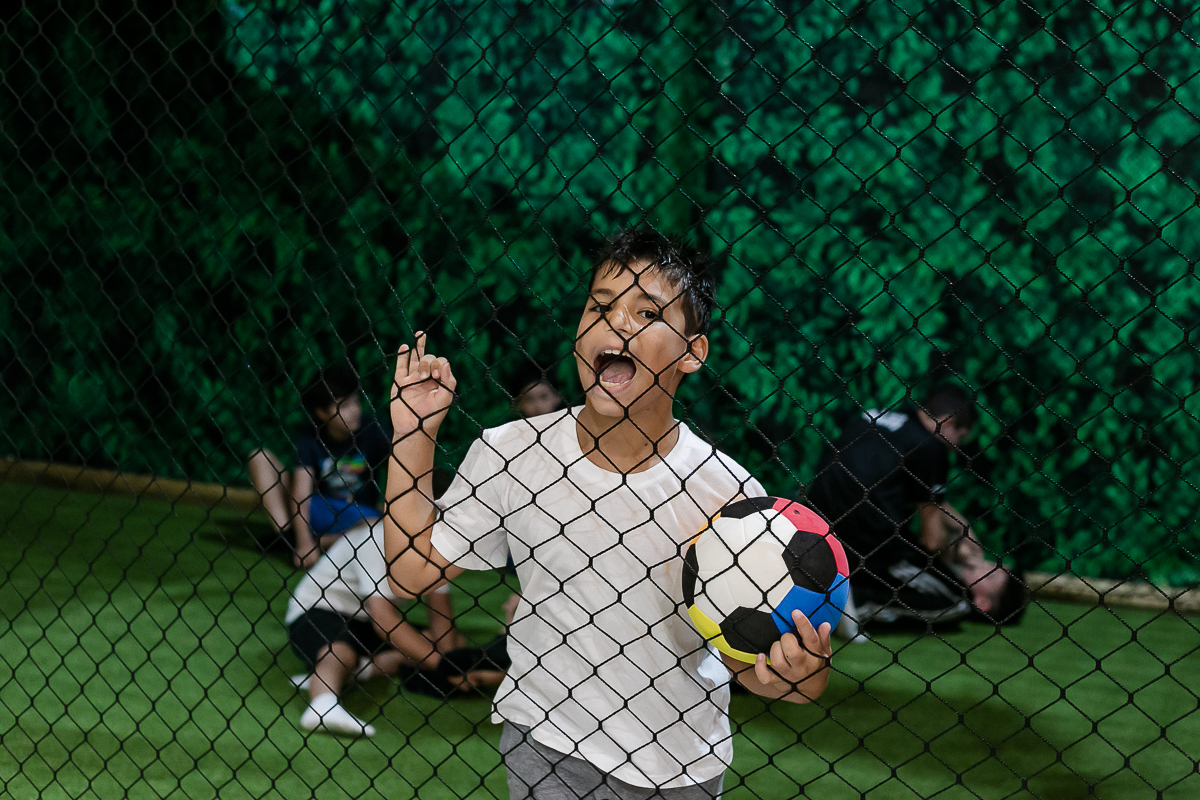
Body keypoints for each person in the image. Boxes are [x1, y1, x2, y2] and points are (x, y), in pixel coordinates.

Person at [384, 230, 833, 798]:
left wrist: (802, 675)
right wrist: (414, 433)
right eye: (600, 306)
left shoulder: (728, 494)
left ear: (692, 352)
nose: (617, 321)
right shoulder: (511, 452)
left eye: (647, 312)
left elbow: (750, 664)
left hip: (680, 766)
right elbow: (411, 573)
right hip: (545, 740)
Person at [805, 386, 1026, 633]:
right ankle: (855, 601)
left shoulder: (880, 416)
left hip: (815, 514)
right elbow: (932, 541)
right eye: (960, 439)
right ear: (949, 423)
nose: (956, 448)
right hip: (866, 539)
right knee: (950, 602)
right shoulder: (932, 448)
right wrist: (953, 550)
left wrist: (963, 528)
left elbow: (930, 498)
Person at [285, 520, 502, 736]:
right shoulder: (378, 537)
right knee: (340, 652)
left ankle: (349, 672)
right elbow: (384, 621)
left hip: (366, 620)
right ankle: (323, 705)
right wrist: (446, 668)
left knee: (449, 642)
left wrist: (453, 662)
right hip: (321, 608)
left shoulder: (438, 548)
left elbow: (440, 617)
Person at [247, 364, 390, 569]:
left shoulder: (373, 430)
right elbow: (301, 493)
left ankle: (313, 543)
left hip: (359, 516)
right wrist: (303, 540)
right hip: (318, 510)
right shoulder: (311, 437)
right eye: (344, 406)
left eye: (356, 402)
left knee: (378, 527)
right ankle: (290, 536)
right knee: (260, 457)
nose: (355, 410)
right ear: (322, 413)